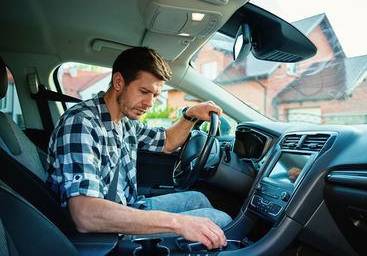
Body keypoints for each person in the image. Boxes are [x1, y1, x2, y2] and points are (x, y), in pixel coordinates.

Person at [46, 47, 232, 250]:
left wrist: (190, 114)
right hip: (104, 232)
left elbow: (167, 142)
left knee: (198, 199)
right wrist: (178, 224)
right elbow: (85, 214)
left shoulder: (125, 120)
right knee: (218, 219)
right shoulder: (81, 123)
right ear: (118, 82)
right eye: (144, 92)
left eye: (155, 94)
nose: (150, 103)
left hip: (128, 206)